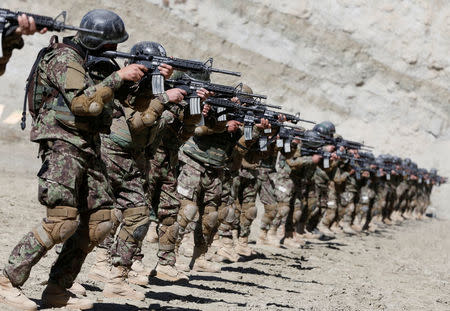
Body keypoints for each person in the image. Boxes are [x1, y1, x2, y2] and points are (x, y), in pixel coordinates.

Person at [0, 9, 145, 310]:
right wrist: (118, 77)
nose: (113, 52)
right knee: (61, 222)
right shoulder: (64, 58)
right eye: (109, 46)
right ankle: (7, 282)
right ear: (95, 42)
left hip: (87, 147)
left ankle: (57, 288)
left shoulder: (87, 62)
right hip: (63, 146)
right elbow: (82, 104)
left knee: (100, 220)